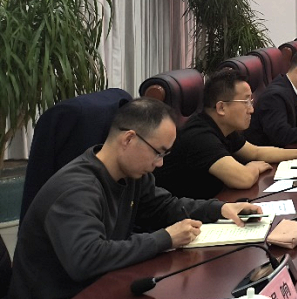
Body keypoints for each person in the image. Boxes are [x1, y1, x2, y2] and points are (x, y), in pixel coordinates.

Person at [9, 99, 260, 299]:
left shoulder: (132, 175)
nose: (160, 164)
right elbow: (87, 258)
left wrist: (220, 209)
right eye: (158, 153)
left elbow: (165, 206)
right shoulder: (76, 189)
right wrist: (165, 238)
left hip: (102, 284)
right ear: (129, 139)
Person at [155, 69, 297, 199]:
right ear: (221, 107)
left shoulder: (223, 127)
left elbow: (256, 152)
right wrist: (253, 167)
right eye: (245, 101)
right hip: (184, 218)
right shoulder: (200, 136)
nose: (251, 109)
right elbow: (243, 178)